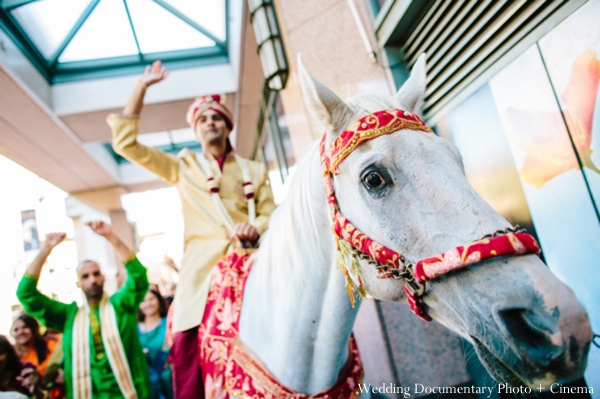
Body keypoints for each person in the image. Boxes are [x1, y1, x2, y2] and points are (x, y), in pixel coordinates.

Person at [106, 60, 276, 397]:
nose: (210, 122)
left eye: (216, 117)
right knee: (184, 343)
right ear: (196, 131)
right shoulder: (183, 165)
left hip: (255, 262)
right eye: (202, 119)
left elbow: (272, 212)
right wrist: (141, 88)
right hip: (203, 273)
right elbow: (126, 144)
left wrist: (253, 226)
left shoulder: (253, 169)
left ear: (227, 126)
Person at [16, 222, 151, 399]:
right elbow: (26, 293)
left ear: (103, 277)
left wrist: (111, 235)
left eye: (96, 274)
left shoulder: (121, 305)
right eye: (85, 276)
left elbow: (139, 277)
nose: (92, 280)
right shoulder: (68, 316)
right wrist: (46, 249)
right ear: (78, 283)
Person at [137, 289, 172, 399]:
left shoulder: (168, 324)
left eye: (151, 299)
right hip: (144, 384)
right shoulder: (135, 329)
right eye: (143, 301)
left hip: (166, 382)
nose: (148, 304)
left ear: (159, 301)